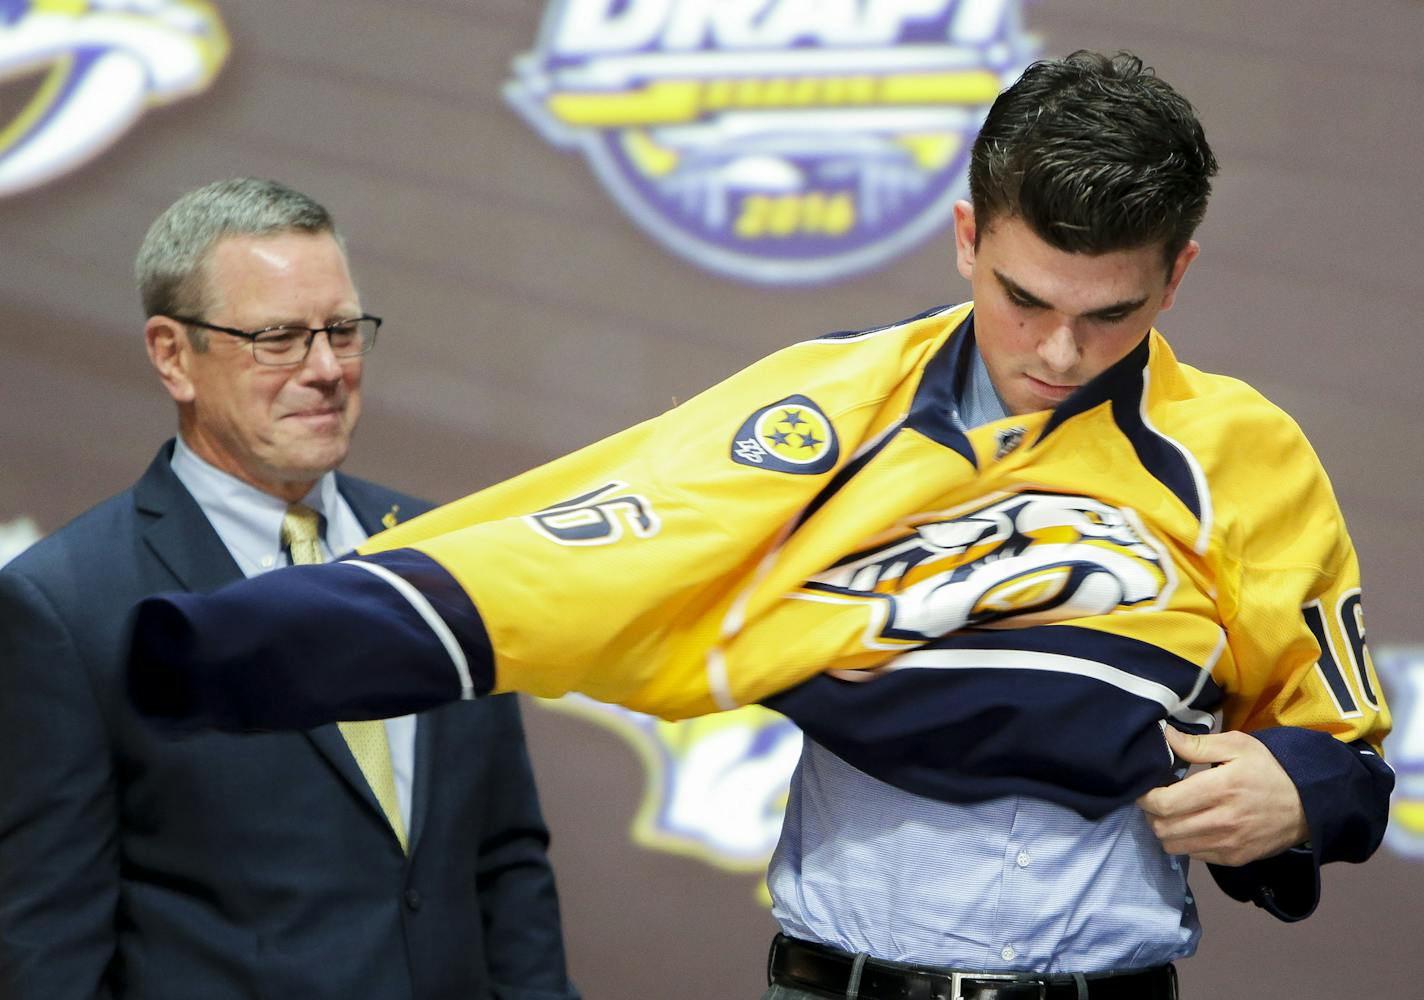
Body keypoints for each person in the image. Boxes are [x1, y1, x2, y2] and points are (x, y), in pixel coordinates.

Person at [125, 54, 1392, 999]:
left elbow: (1337, 751)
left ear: (1178, 275)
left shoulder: (1243, 453)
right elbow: (567, 560)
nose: (1059, 349)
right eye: (1025, 298)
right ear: (964, 239)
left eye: (1110, 314)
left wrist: (1296, 790)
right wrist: (237, 646)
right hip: (834, 979)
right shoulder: (823, 405)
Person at [0, 178, 579, 1000]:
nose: (325, 370)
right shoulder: (65, 606)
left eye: (342, 331)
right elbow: (48, 940)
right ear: (173, 355)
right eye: (277, 338)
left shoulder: (447, 551)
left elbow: (505, 858)